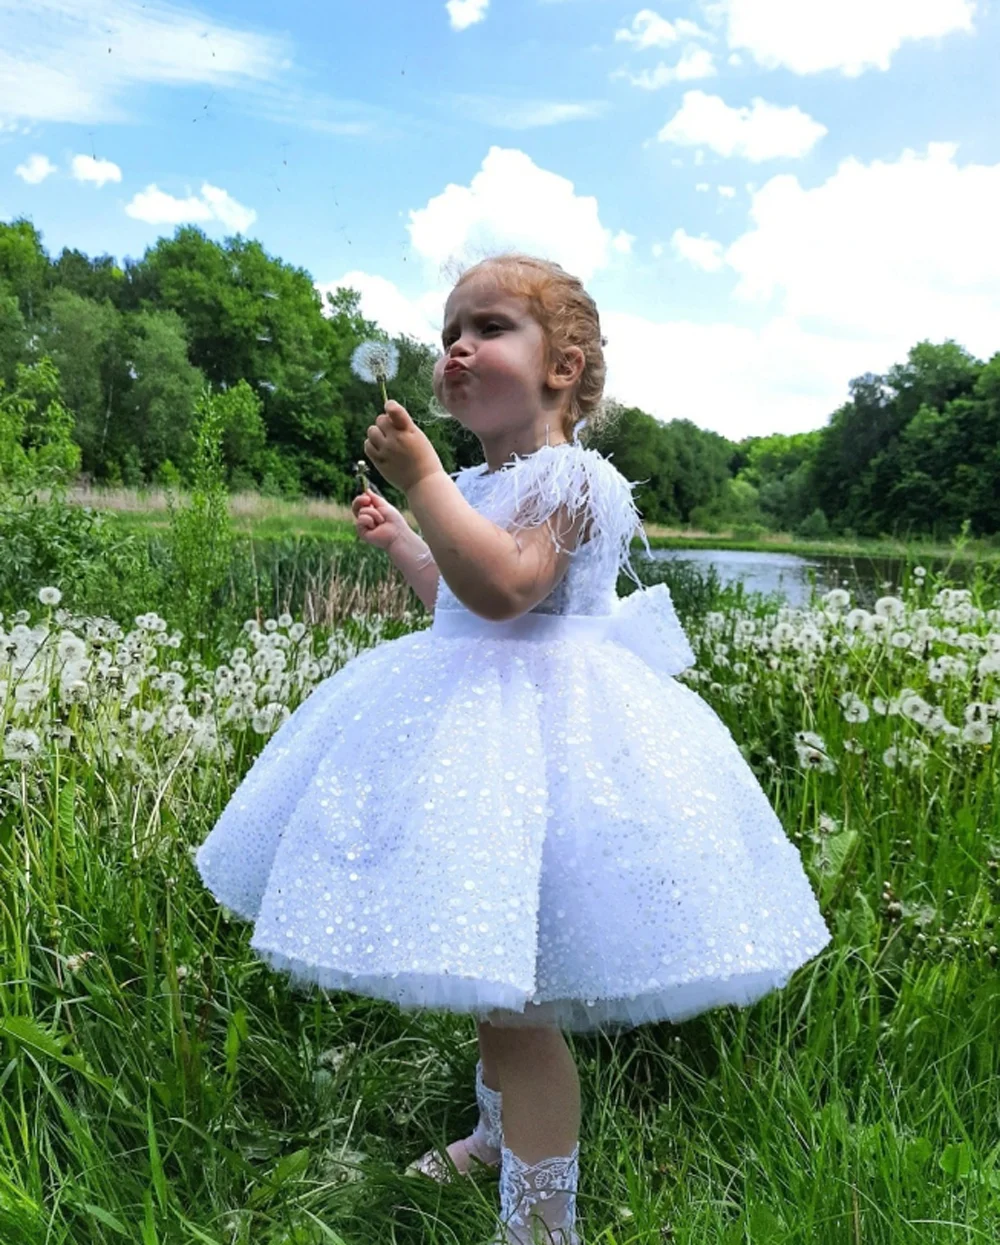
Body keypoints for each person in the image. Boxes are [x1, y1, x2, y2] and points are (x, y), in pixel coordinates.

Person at [194, 252, 832, 1244]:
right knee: (497, 982)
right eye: (449, 330)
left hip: (555, 747)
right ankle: (499, 1137)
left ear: (561, 368)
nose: (457, 345)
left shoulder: (575, 478)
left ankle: (543, 1224)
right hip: (479, 748)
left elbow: (507, 590)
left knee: (523, 1002)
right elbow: (459, 605)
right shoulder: (477, 484)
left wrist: (420, 484)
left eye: (488, 327)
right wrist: (409, 536)